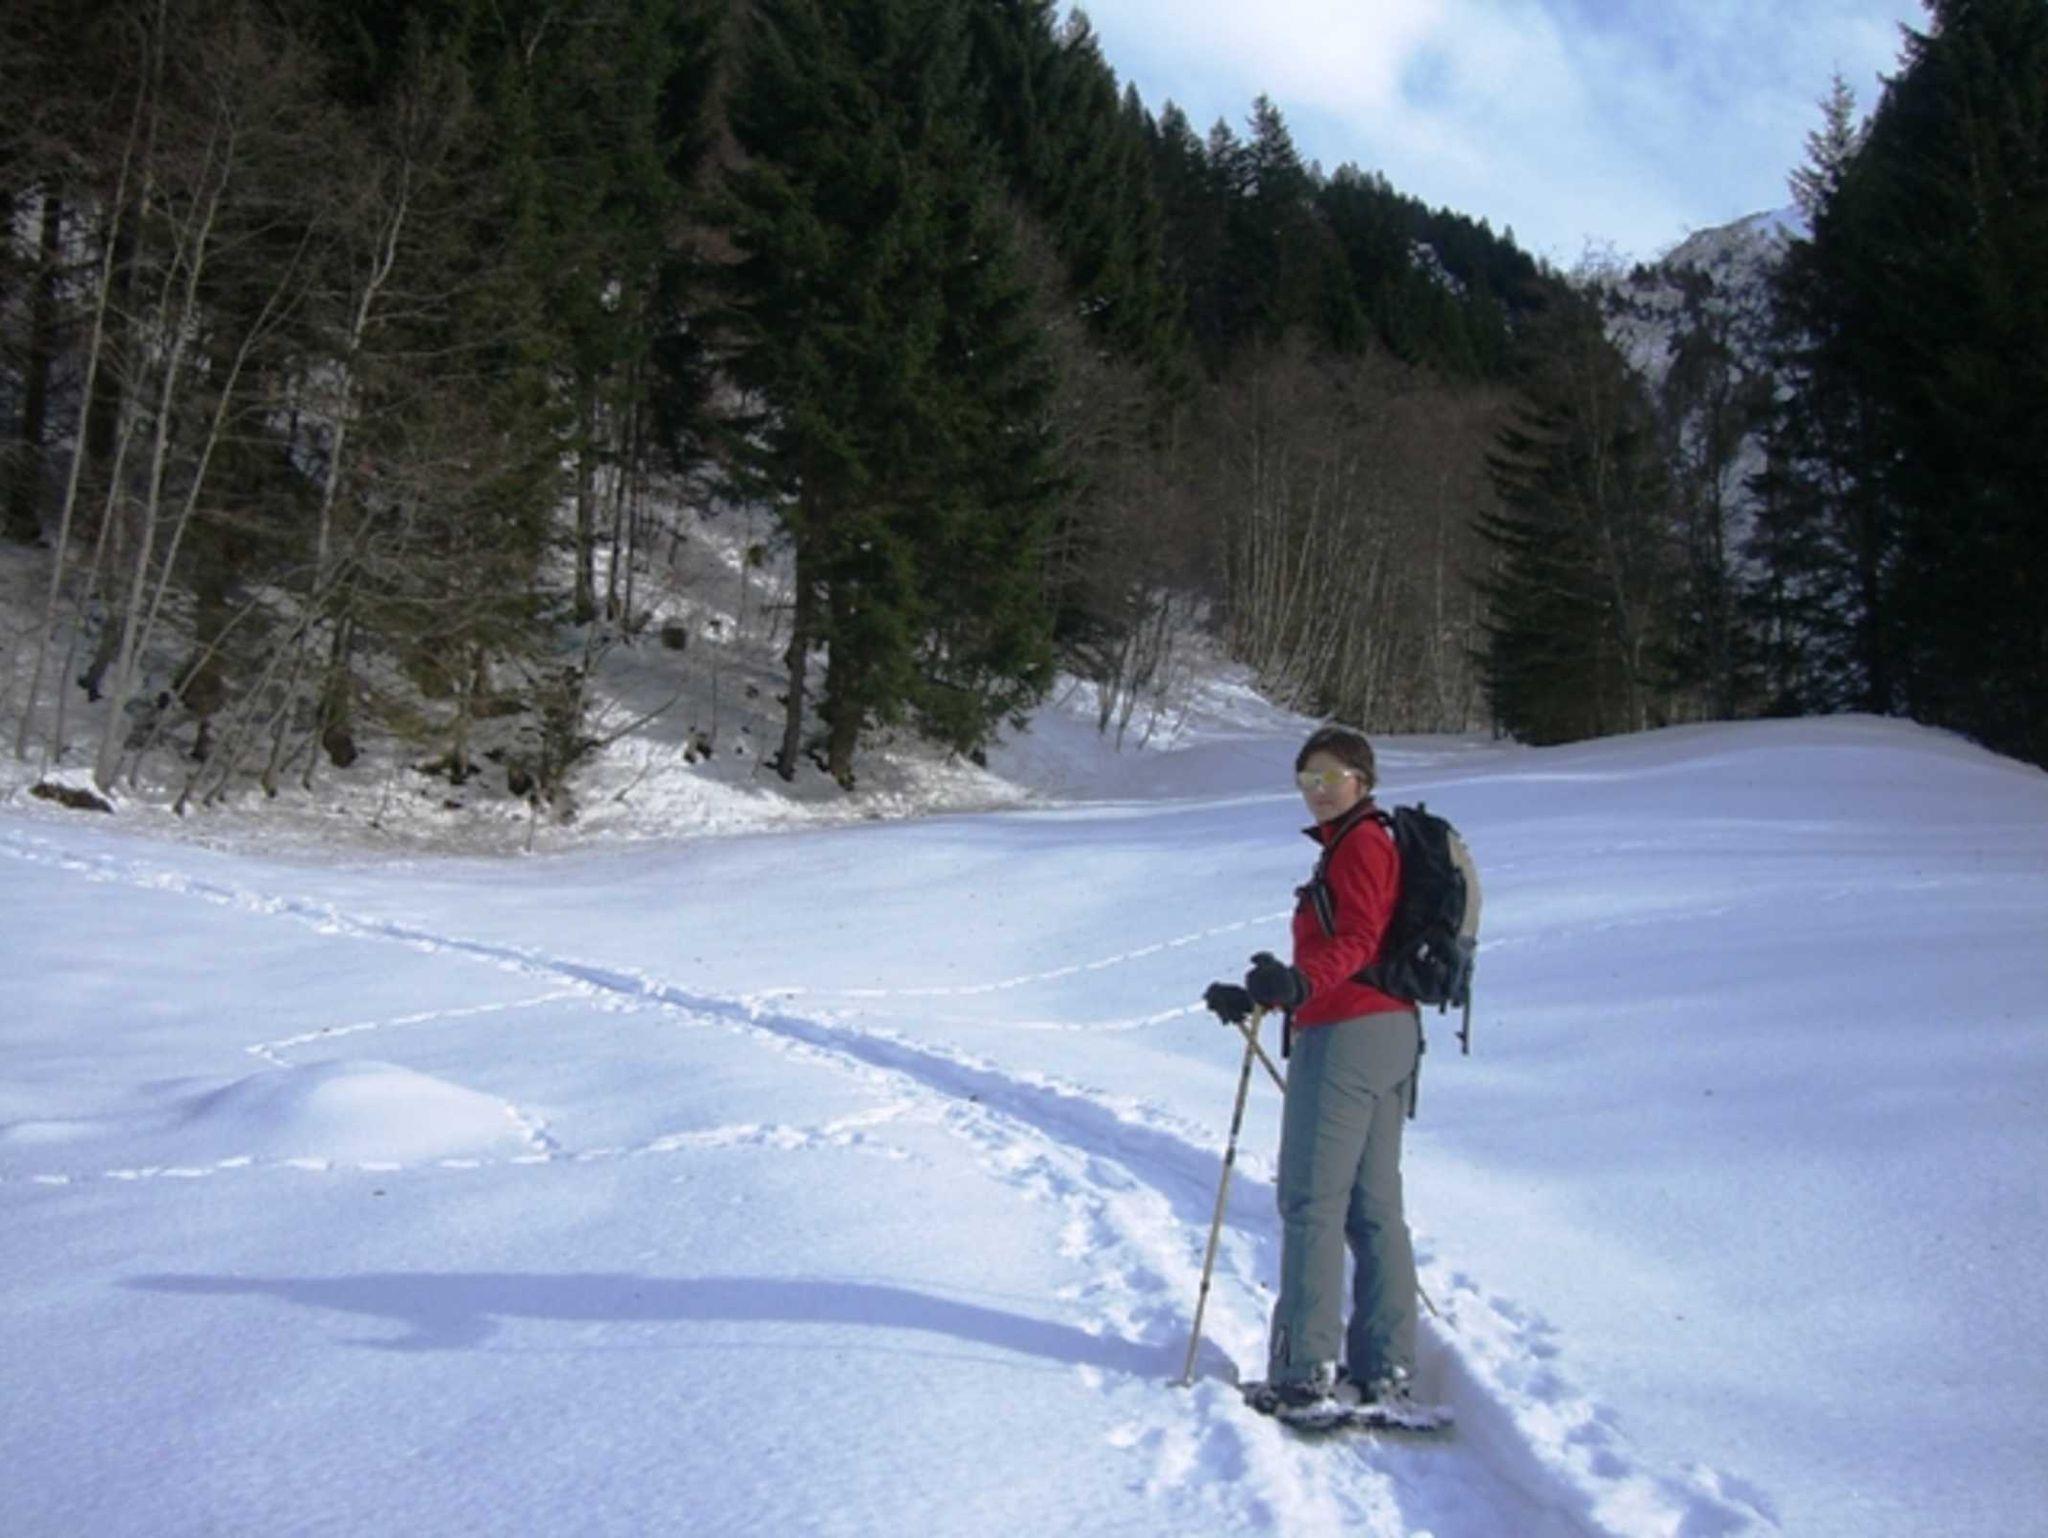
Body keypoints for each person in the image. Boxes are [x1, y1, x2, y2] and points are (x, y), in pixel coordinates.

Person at [1204, 723, 1421, 1422]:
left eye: (1330, 777)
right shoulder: (1364, 843)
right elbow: (1351, 949)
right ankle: (1385, 1369)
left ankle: (1304, 1374)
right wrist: (1266, 995)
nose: (1317, 791)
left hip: (1347, 1037)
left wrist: (1300, 985)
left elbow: (1357, 940)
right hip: (1388, 1032)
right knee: (1372, 1209)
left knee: (1311, 1203)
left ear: (1363, 780)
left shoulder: (1361, 844)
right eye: (1307, 780)